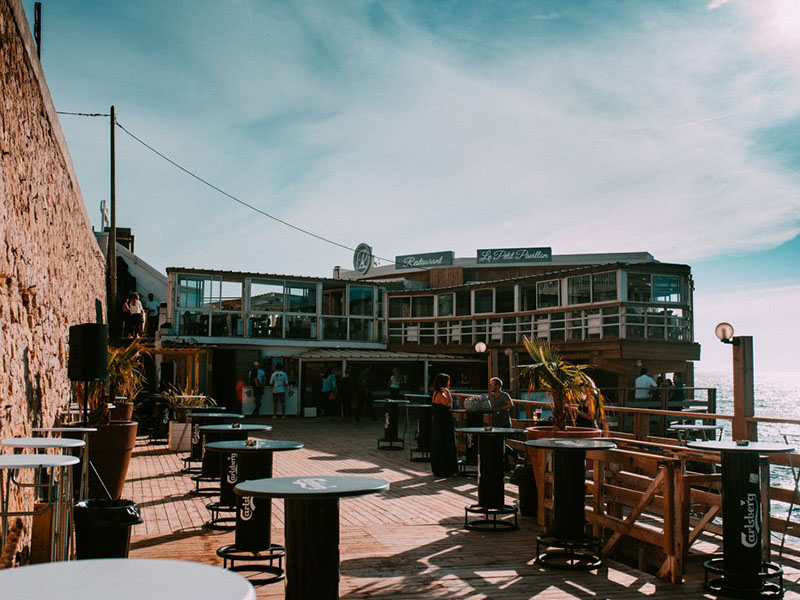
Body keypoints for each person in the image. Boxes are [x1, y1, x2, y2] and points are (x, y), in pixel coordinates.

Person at [430, 373, 458, 478]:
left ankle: (442, 468)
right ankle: (445, 468)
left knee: (440, 443)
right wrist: (448, 392)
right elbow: (449, 403)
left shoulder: (435, 392)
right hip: (443, 422)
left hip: (439, 421)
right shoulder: (440, 394)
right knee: (445, 443)